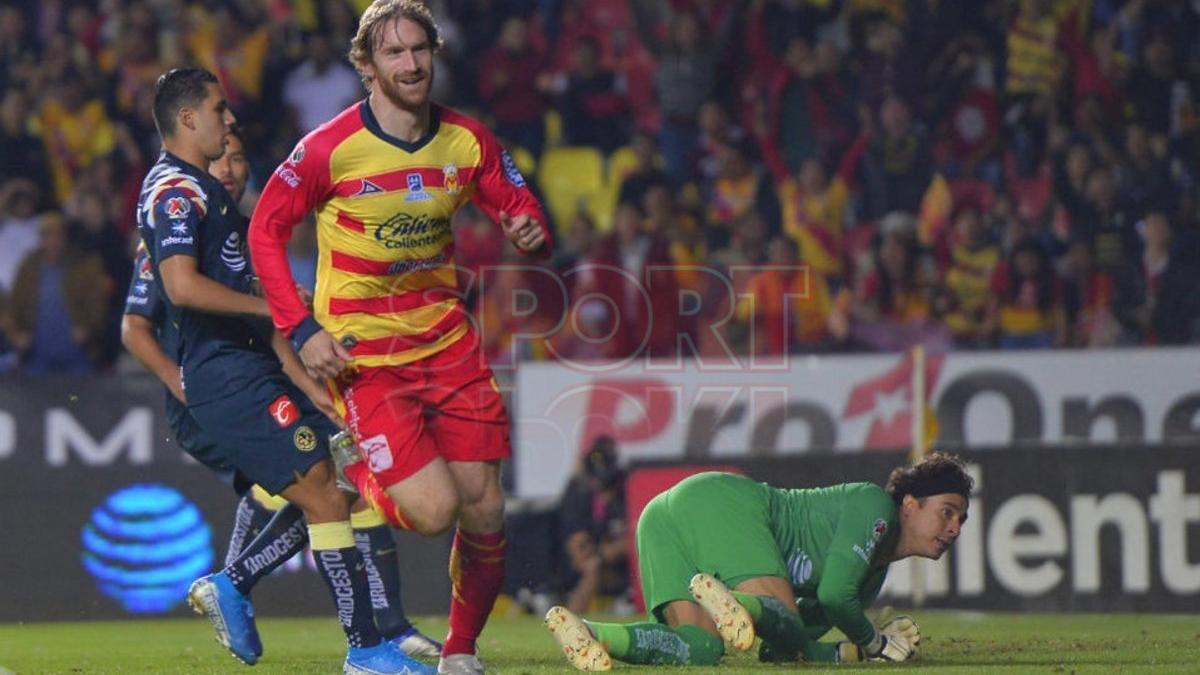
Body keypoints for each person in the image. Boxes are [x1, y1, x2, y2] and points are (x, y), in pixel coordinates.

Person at [246, 2, 551, 673]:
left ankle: (460, 650)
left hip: (448, 346)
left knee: (485, 506)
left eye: (420, 50)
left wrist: (528, 225)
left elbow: (516, 199)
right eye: (393, 53)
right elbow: (264, 229)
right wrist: (301, 328)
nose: (411, 65)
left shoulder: (466, 140)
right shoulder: (328, 147)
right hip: (365, 360)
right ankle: (360, 469)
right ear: (366, 66)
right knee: (436, 510)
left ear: (434, 54)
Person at [135, 66, 431, 674]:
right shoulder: (174, 193)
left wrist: (312, 386)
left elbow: (267, 327)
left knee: (339, 485)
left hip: (254, 370)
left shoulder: (207, 194)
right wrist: (269, 302)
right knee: (324, 494)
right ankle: (364, 648)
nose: (230, 118)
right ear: (188, 119)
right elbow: (180, 285)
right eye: (220, 109)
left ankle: (258, 593)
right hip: (224, 377)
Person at [545, 452, 973, 669]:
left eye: (962, 519)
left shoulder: (869, 576)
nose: (954, 528)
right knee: (775, 613)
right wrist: (875, 643)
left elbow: (786, 648)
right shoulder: (875, 506)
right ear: (911, 505)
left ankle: (591, 634)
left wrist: (853, 653)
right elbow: (834, 595)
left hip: (662, 517)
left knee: (701, 649)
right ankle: (738, 603)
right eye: (947, 511)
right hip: (722, 501)